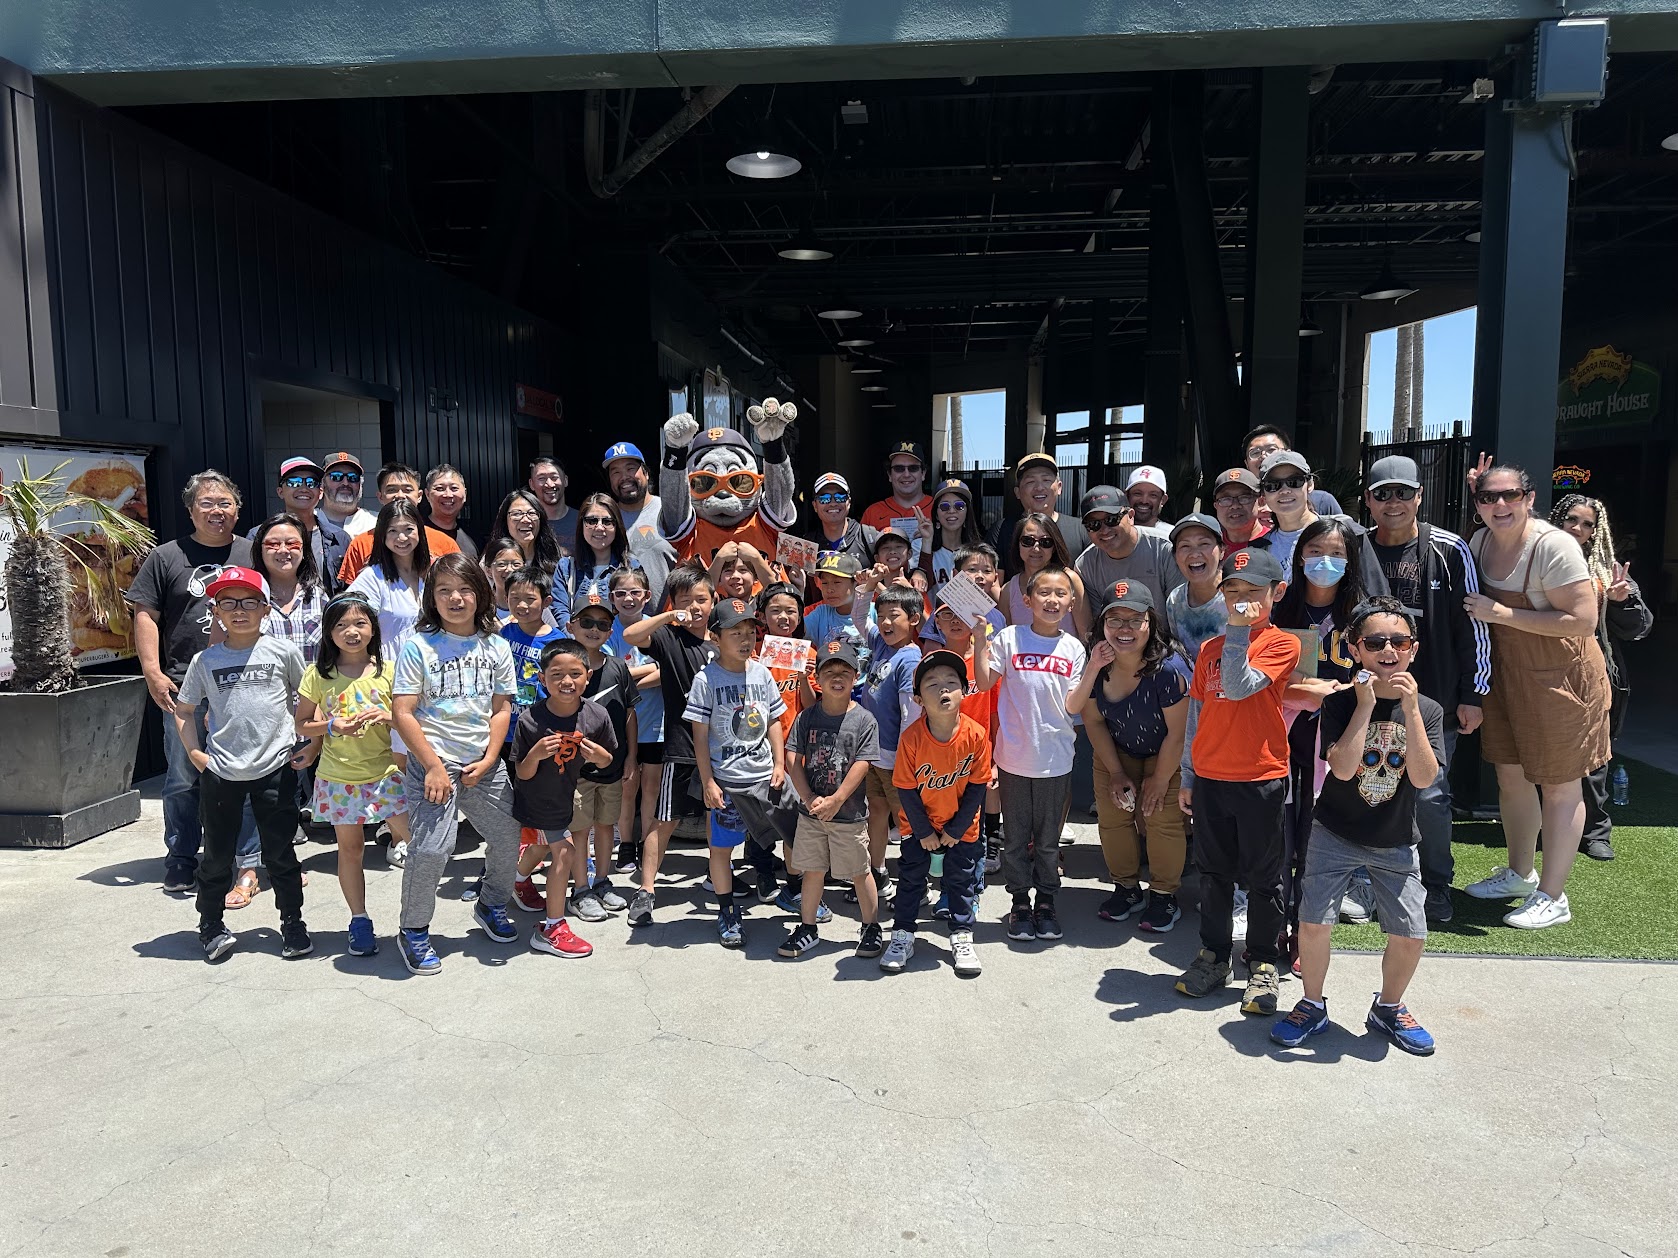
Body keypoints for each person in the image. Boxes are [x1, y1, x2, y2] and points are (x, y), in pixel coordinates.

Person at [1272, 597, 1443, 1057]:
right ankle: (1311, 1004)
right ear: (1355, 649)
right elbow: (1344, 770)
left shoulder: (1427, 709)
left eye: (1399, 641)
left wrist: (1408, 711)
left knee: (1410, 933)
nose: (1388, 650)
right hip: (1335, 832)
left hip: (1395, 840)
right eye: (1374, 642)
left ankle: (1389, 1007)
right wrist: (1365, 706)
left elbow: (1426, 778)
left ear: (1413, 648)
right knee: (1313, 923)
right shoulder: (1342, 703)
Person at [1461, 466, 1610, 929]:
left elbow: (1583, 621)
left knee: (1562, 785)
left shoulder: (1554, 546)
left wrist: (1502, 613)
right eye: (1488, 498)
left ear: (1530, 498)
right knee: (1511, 776)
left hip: (1561, 678)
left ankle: (1554, 895)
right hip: (1506, 676)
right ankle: (1519, 874)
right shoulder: (1480, 541)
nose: (1499, 506)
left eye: (1510, 496)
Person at [1174, 548, 1300, 1016]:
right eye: (1233, 591)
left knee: (1265, 878)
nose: (1242, 600)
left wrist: (1241, 630)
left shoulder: (1280, 643)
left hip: (1259, 777)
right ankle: (1213, 956)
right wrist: (1188, 774)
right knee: (1213, 873)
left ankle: (1264, 962)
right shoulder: (1209, 648)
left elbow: (1242, 682)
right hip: (1210, 778)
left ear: (1277, 593)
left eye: (1253, 592)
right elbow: (1197, 716)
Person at [1363, 455, 1488, 922]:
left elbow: (1472, 626)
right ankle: (1371, 882)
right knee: (1370, 789)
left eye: (1402, 492)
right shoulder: (1356, 548)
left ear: (1419, 495)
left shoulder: (1449, 549)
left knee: (1431, 795)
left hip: (1432, 701)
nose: (1393, 502)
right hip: (1370, 698)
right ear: (1368, 500)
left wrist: (1474, 695)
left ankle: (1436, 883)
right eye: (1382, 493)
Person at [390, 553, 524, 975]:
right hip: (435, 763)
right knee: (432, 848)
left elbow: (502, 709)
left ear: (481, 595)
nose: (456, 598)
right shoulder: (419, 646)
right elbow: (404, 712)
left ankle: (492, 903)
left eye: (465, 589)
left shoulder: (497, 646)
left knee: (507, 837)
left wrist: (490, 759)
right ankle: (413, 929)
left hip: (483, 763)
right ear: (432, 598)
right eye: (444, 590)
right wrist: (431, 765)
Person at [127, 469, 257, 894]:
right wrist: (152, 671)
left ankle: (248, 861)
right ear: (190, 510)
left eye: (224, 503)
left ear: (237, 510)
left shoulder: (252, 551)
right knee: (182, 775)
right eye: (207, 503)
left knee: (246, 772)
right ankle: (182, 857)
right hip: (184, 684)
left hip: (245, 682)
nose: (216, 511)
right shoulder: (166, 556)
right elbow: (145, 613)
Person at [174, 566, 312, 962]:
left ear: (265, 609)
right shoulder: (205, 660)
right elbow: (184, 710)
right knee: (216, 856)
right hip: (222, 774)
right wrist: (196, 755)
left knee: (281, 854)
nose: (239, 611)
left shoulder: (283, 652)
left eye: (248, 602)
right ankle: (211, 927)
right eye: (228, 603)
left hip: (276, 768)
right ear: (215, 611)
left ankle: (293, 925)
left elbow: (307, 700)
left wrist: (312, 743)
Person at [1271, 517, 1373, 948]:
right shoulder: (1279, 607)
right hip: (1283, 735)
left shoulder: (1364, 613)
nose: (1324, 562)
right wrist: (1308, 690)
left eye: (1335, 553)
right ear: (1298, 558)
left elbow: (1382, 677)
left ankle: (1307, 932)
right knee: (1280, 835)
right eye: (1314, 552)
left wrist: (1339, 693)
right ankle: (1272, 923)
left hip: (1340, 741)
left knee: (1321, 841)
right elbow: (1261, 677)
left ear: (1350, 560)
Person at [1067, 582, 1191, 932]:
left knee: (1161, 818)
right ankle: (1126, 887)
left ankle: (1165, 895)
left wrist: (1160, 779)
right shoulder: (1098, 663)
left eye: (1134, 619)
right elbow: (1091, 719)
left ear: (1150, 623)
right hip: (1116, 751)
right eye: (1115, 619)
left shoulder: (1168, 668)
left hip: (1165, 751)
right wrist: (1116, 772)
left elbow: (1178, 734)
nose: (1124, 629)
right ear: (1101, 624)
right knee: (1113, 817)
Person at [973, 564, 1087, 943]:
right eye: (1044, 593)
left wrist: (1095, 668)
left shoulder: (1073, 648)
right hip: (1014, 758)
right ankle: (1020, 902)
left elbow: (1073, 705)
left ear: (1071, 603)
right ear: (1027, 600)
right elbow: (985, 682)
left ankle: (1047, 902)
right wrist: (978, 643)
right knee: (1016, 837)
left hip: (1055, 759)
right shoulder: (1010, 638)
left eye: (1061, 594)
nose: (1052, 600)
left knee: (1049, 841)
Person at [295, 591, 410, 958]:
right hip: (338, 778)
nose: (352, 631)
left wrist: (388, 717)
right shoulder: (318, 674)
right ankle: (359, 920)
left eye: (360, 623)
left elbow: (413, 722)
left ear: (374, 629)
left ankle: (415, 919)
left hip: (386, 773)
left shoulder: (390, 671)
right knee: (351, 849)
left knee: (416, 843)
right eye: (341, 625)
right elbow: (302, 723)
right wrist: (330, 727)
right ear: (329, 633)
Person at [686, 596, 796, 949]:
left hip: (766, 777)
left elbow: (775, 720)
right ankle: (727, 909)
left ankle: (793, 892)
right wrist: (707, 781)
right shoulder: (706, 679)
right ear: (715, 637)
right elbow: (699, 736)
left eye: (750, 631)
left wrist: (779, 764)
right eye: (736, 632)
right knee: (721, 849)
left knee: (795, 836)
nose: (746, 639)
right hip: (728, 782)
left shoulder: (761, 672)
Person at [1551, 494, 1653, 862]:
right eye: (1572, 520)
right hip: (1545, 670)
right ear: (1557, 520)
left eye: (1587, 523)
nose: (1578, 529)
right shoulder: (1537, 561)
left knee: (1594, 755)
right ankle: (1548, 826)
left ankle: (1595, 831)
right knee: (1545, 751)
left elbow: (1639, 628)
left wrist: (1623, 600)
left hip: (1596, 672)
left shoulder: (1606, 570)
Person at [881, 650, 992, 977]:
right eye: (932, 684)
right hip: (919, 828)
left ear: (964, 690)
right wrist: (924, 832)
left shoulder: (975, 735)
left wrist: (956, 830)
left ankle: (961, 935)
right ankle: (902, 936)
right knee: (911, 881)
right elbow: (905, 789)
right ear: (918, 698)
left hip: (962, 829)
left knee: (961, 883)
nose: (943, 689)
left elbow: (977, 787)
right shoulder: (912, 738)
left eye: (951, 683)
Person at [620, 562, 718, 926]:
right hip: (681, 746)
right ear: (673, 603)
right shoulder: (670, 638)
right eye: (685, 600)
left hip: (722, 749)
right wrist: (666, 618)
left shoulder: (722, 641)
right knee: (664, 820)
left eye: (701, 600)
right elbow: (631, 634)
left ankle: (717, 877)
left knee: (716, 817)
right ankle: (646, 889)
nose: (694, 607)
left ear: (713, 601)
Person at [511, 639, 616, 959]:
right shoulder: (531, 719)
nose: (566, 681)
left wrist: (598, 755)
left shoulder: (596, 715)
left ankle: (517, 881)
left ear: (588, 675)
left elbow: (607, 761)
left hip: (563, 797)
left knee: (542, 847)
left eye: (575, 673)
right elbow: (522, 773)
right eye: (556, 674)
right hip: (535, 799)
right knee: (565, 852)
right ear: (542, 679)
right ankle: (552, 928)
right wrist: (536, 753)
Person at [778, 641, 882, 960]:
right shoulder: (807, 717)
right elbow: (792, 756)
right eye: (829, 671)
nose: (837, 677)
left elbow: (862, 763)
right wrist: (808, 797)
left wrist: (836, 799)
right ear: (817, 679)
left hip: (848, 815)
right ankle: (808, 927)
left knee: (859, 871)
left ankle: (871, 927)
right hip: (810, 813)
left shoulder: (864, 719)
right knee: (811, 870)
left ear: (856, 677)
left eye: (845, 671)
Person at [849, 579, 927, 898]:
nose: (885, 622)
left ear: (914, 619)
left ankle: (915, 884)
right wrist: (865, 589)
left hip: (897, 759)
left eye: (893, 615)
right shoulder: (881, 644)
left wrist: (907, 762)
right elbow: (857, 617)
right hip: (873, 755)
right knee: (876, 813)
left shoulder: (909, 659)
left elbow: (911, 716)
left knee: (908, 824)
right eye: (880, 615)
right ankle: (877, 874)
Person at [561, 598, 637, 921]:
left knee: (606, 825)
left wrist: (631, 756)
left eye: (603, 624)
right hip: (574, 771)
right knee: (579, 830)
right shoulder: (563, 667)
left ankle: (602, 881)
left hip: (612, 766)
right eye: (587, 622)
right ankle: (580, 890)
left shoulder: (618, 667)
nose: (594, 629)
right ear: (571, 625)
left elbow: (630, 714)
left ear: (611, 631)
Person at [606, 567, 662, 875]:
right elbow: (609, 675)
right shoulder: (608, 629)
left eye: (635, 593)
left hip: (656, 723)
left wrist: (626, 679)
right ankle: (625, 844)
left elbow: (666, 671)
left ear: (647, 596)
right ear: (612, 598)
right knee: (627, 786)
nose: (629, 599)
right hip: (621, 723)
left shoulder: (656, 629)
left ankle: (645, 842)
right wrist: (648, 672)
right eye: (621, 594)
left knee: (651, 787)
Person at [336, 462, 461, 585]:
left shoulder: (445, 543)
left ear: (419, 496)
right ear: (380, 497)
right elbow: (351, 596)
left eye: (407, 490)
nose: (400, 496)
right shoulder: (360, 544)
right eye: (392, 490)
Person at [1073, 484, 1182, 623]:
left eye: (1112, 519)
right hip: (1117, 641)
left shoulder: (1165, 549)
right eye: (1094, 524)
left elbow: (1180, 609)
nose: (1104, 530)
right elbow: (1098, 622)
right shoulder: (1085, 565)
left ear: (1130, 516)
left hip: (1166, 640)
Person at [347, 500, 429, 670]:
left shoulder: (430, 574)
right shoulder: (373, 578)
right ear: (382, 535)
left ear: (420, 531)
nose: (402, 538)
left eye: (409, 529)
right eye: (393, 531)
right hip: (390, 674)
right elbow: (347, 620)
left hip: (430, 672)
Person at [253, 456, 349, 594]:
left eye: (311, 483)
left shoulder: (340, 538)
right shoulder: (258, 535)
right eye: (294, 482)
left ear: (320, 493)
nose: (304, 488)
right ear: (280, 492)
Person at [497, 565, 564, 756]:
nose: (521, 605)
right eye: (515, 598)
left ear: (546, 602)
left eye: (530, 599)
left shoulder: (557, 642)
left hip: (538, 730)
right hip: (504, 729)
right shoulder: (504, 633)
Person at [989, 453, 1090, 572]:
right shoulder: (1001, 530)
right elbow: (992, 580)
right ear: (1017, 492)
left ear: (1059, 487)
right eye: (1030, 481)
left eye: (1046, 480)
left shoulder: (1081, 530)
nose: (1039, 487)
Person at [553, 493, 642, 626]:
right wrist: (576, 642)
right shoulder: (566, 567)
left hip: (617, 644)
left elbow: (636, 612)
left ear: (617, 526)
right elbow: (560, 611)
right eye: (592, 521)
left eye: (607, 522)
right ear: (581, 524)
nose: (599, 527)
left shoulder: (631, 567)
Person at [998, 513, 1091, 639]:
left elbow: (1086, 634)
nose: (1036, 549)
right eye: (1028, 541)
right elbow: (1006, 640)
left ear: (1054, 547)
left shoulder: (1071, 580)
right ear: (1017, 544)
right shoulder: (1008, 591)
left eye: (1045, 542)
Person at [603, 441, 673, 605]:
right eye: (616, 472)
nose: (624, 477)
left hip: (671, 621)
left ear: (646, 473)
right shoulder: (605, 519)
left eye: (630, 469)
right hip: (621, 623)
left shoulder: (669, 511)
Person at [251, 513, 326, 667]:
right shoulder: (246, 597)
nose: (283, 550)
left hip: (312, 690)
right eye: (273, 544)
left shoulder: (319, 597)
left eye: (292, 544)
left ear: (304, 550)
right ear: (260, 550)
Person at [1165, 513, 1228, 666]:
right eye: (1185, 546)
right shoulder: (1175, 600)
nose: (1194, 554)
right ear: (1175, 556)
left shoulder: (1238, 596)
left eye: (1204, 544)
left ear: (1222, 551)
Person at [1240, 425, 1343, 516]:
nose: (1263, 456)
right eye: (1254, 453)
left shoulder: (1322, 501)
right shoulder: (1239, 504)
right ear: (1246, 464)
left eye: (1271, 450)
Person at [804, 552, 873, 680]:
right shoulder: (821, 613)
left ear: (856, 583)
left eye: (837, 582)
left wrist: (873, 583)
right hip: (832, 688)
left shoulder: (873, 610)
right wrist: (798, 589)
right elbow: (794, 631)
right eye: (824, 583)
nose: (829, 589)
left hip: (867, 689)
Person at [803, 473, 880, 576]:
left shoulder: (869, 537)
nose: (833, 503)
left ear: (849, 502)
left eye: (840, 497)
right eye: (824, 498)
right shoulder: (806, 545)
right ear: (815, 506)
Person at [922, 478, 983, 588]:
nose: (951, 511)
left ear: (967, 512)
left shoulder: (979, 553)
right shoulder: (920, 546)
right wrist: (926, 541)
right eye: (944, 506)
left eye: (959, 506)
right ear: (936, 514)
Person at [492, 488, 563, 578]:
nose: (525, 520)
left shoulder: (557, 559)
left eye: (531, 513)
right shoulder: (491, 560)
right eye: (517, 514)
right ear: (505, 520)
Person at [423, 464, 477, 561]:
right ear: (427, 494)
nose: (448, 495)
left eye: (454, 488)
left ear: (464, 494)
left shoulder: (474, 536)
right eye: (440, 489)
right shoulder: (417, 533)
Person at [318, 452, 378, 538]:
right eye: (336, 476)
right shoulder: (308, 522)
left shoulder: (377, 522)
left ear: (360, 484)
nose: (345, 483)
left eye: (353, 477)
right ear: (322, 483)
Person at [1209, 468, 1269, 551]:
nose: (1235, 505)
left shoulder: (1275, 543)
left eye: (1244, 498)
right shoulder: (1211, 549)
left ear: (1260, 502)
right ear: (1216, 506)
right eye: (1226, 499)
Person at [528, 457, 576, 554]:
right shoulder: (527, 523)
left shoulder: (583, 521)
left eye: (554, 477)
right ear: (531, 484)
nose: (549, 484)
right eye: (541, 478)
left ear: (565, 480)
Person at [1125, 465, 1173, 539]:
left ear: (1163, 500)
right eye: (1137, 493)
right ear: (1127, 496)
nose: (1144, 501)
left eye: (1153, 495)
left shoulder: (1172, 535)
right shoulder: (1113, 534)